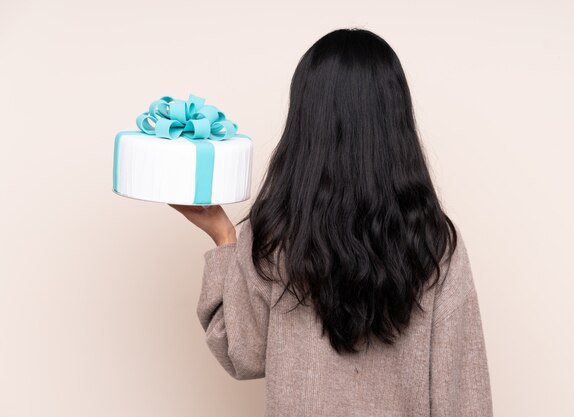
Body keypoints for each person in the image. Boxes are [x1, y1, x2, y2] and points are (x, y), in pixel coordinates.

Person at [170, 28, 493, 417]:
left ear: (305, 120)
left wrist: (224, 236)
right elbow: (462, 395)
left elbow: (243, 355)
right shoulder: (434, 243)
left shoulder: (273, 235)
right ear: (396, 119)